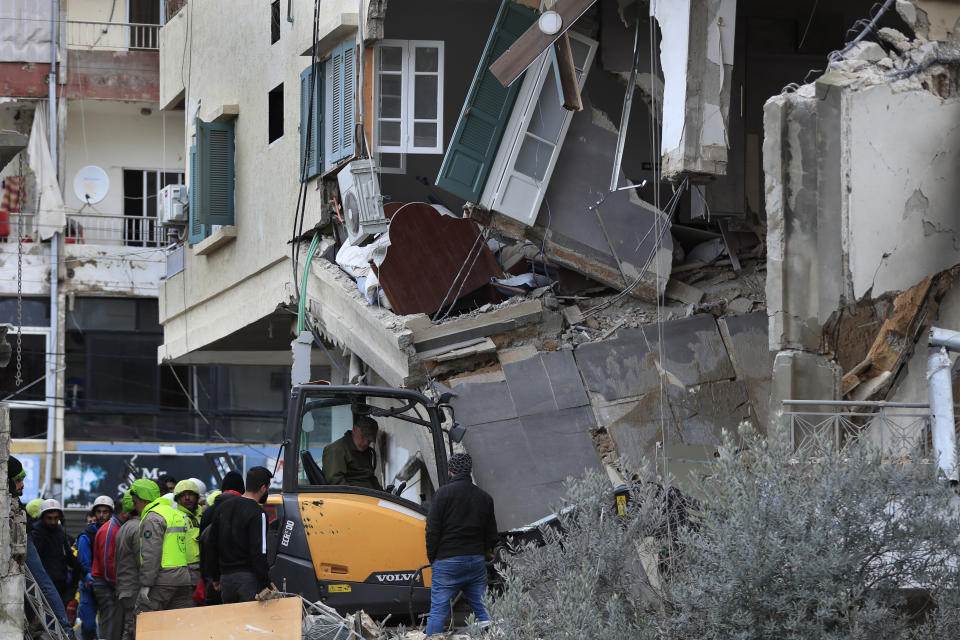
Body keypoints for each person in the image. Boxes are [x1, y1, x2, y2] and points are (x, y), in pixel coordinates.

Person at [424, 453, 497, 636]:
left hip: (447, 562)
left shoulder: (442, 494)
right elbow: (491, 535)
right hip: (475, 562)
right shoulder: (485, 498)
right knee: (484, 611)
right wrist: (479, 553)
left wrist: (433, 558)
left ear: (451, 471)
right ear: (469, 471)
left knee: (438, 614)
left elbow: (432, 531)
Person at [10, 456, 71, 632]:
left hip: (54, 582)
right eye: (18, 481)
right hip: (49, 582)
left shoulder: (58, 533)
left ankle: (64, 628)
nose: (22, 485)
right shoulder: (38, 530)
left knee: (43, 585)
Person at [206, 467, 273, 603]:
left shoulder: (223, 507)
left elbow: (211, 544)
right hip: (248, 580)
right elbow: (259, 551)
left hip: (226, 579)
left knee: (232, 622)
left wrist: (216, 577)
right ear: (262, 488)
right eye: (268, 488)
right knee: (251, 623)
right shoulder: (258, 513)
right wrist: (265, 584)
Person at [136, 485, 195, 616]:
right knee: (179, 624)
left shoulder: (153, 517)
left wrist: (146, 583)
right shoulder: (180, 516)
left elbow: (151, 554)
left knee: (145, 623)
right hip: (183, 579)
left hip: (161, 581)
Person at [116, 480, 159, 640]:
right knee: (134, 630)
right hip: (134, 590)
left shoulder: (125, 527)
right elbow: (143, 559)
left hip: (126, 588)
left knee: (130, 628)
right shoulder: (138, 528)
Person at [199, 471, 244, 605]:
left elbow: (202, 547)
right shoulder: (245, 509)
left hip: (212, 578)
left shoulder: (207, 513)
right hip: (239, 575)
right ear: (241, 491)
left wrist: (206, 576)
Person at [30, 498, 81, 611]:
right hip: (43, 585)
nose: (53, 521)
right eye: (49, 518)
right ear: (42, 516)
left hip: (60, 583)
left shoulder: (60, 531)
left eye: (55, 518)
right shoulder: (36, 533)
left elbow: (68, 555)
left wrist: (81, 569)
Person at [91, 495, 129, 640]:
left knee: (113, 625)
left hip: (108, 583)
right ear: (124, 512)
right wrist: (116, 585)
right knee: (110, 627)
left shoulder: (114, 528)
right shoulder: (111, 530)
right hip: (107, 584)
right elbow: (108, 564)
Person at [78, 494, 114, 640]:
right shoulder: (86, 535)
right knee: (88, 625)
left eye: (105, 512)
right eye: (98, 512)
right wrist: (87, 574)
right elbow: (82, 561)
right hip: (90, 584)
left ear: (111, 513)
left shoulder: (116, 531)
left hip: (109, 584)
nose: (101, 515)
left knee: (109, 625)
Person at [322, 415, 382, 490]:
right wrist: (357, 496)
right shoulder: (336, 450)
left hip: (369, 495)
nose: (366, 443)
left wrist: (384, 494)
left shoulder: (367, 452)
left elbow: (370, 477)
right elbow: (335, 481)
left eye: (369, 440)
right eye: (363, 437)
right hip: (353, 497)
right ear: (354, 429)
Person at [173, 479, 202, 585]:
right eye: (183, 495)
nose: (187, 498)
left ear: (197, 496)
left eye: (190, 494)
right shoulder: (174, 518)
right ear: (177, 498)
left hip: (206, 566)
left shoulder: (205, 515)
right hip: (186, 568)